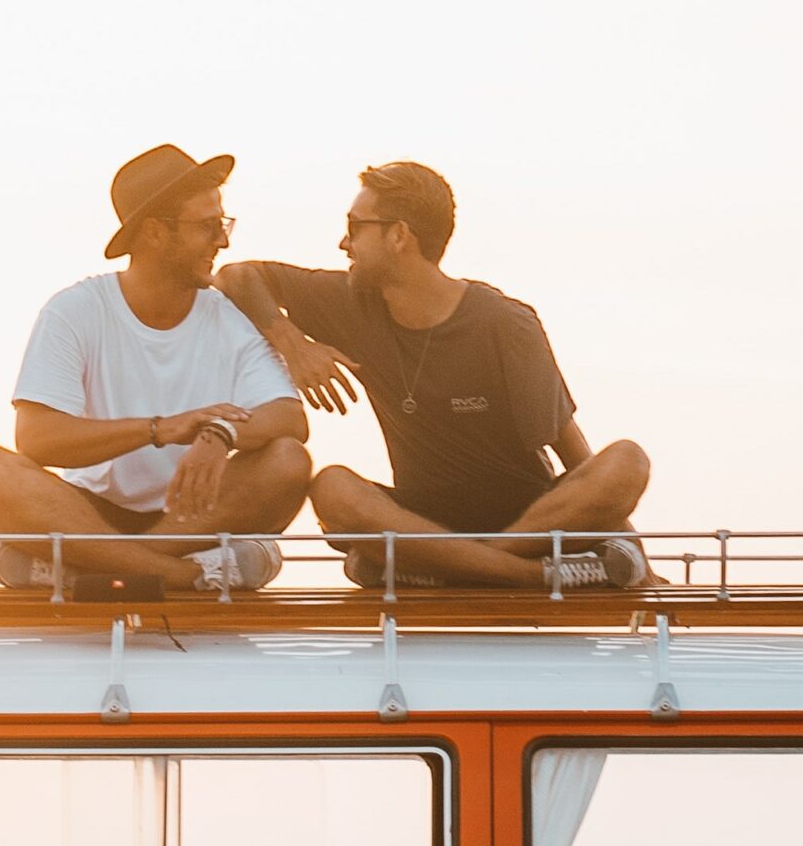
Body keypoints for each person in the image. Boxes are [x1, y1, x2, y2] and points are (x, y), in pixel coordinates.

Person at [215, 162, 649, 590]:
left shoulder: (505, 323)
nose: (343, 242)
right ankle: (527, 577)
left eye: (355, 226)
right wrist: (295, 346)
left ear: (399, 235)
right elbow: (237, 276)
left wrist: (630, 545)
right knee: (331, 488)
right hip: (420, 521)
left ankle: (457, 568)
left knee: (627, 461)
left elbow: (571, 448)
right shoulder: (350, 301)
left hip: (529, 521)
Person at [0, 145, 312, 595]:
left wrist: (221, 432)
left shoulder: (231, 318)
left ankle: (97, 569)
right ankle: (185, 575)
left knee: (286, 461)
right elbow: (37, 439)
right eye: (208, 226)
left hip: (195, 516)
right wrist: (160, 429)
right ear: (154, 234)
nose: (223, 240)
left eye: (223, 224)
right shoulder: (75, 311)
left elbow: (289, 419)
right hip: (85, 514)